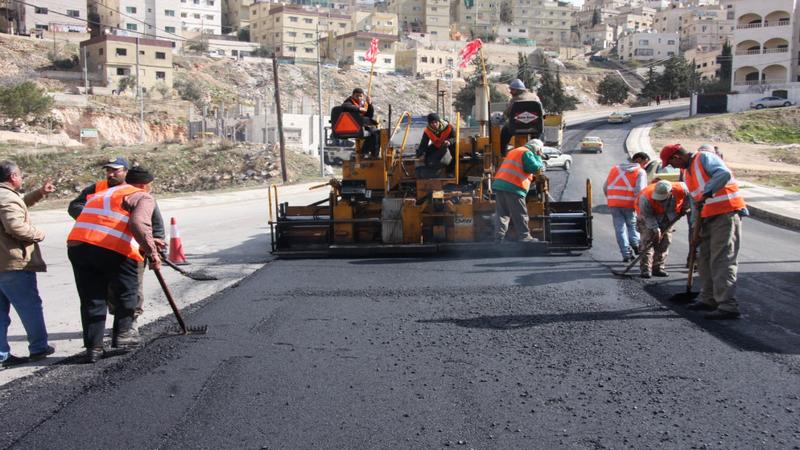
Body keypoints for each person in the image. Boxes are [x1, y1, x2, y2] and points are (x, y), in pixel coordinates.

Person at [67, 166, 161, 363]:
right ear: (145, 185)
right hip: (111, 246)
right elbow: (139, 224)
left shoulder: (105, 192)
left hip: (78, 246)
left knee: (92, 299)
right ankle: (123, 335)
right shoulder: (142, 195)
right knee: (127, 290)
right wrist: (153, 253)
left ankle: (93, 348)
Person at [660, 144, 747, 320]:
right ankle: (708, 298)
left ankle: (727, 305)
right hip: (705, 217)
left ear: (676, 157)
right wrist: (695, 228)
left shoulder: (704, 157)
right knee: (703, 258)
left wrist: (708, 192)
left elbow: (723, 174)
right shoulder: (686, 172)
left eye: (671, 163)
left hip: (725, 213)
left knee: (721, 259)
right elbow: (694, 200)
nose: (673, 167)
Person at [0, 160, 56, 368]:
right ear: (13, 177)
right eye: (20, 175)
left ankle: (2, 353)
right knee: (29, 307)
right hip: (12, 263)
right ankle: (39, 347)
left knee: (1, 313)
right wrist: (38, 234)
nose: (21, 178)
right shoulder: (6, 197)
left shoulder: (6, 197)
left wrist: (39, 193)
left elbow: (18, 206)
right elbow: (14, 225)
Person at [493, 138, 544, 243]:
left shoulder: (514, 151)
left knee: (502, 214)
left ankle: (498, 238)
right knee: (519, 214)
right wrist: (538, 157)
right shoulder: (527, 153)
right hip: (514, 186)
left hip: (500, 185)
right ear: (537, 148)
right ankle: (525, 237)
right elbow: (535, 168)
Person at [635, 180, 690, 278]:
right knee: (647, 242)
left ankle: (658, 267)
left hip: (666, 217)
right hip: (646, 217)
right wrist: (656, 229)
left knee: (665, 242)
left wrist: (685, 207)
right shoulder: (645, 198)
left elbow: (690, 196)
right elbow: (648, 216)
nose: (659, 201)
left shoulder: (681, 188)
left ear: (670, 193)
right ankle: (645, 269)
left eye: (662, 199)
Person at [603, 158, 647, 262]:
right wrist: (640, 206)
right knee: (632, 225)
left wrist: (611, 198)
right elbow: (640, 190)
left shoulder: (614, 169)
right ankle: (636, 245)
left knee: (620, 229)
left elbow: (605, 187)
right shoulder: (640, 172)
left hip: (614, 204)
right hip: (630, 204)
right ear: (641, 161)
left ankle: (626, 254)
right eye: (645, 163)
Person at [500, 79, 541, 154]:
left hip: (516, 128)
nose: (510, 92)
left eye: (512, 90)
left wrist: (504, 117)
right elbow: (541, 113)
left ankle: (503, 153)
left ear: (518, 90)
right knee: (537, 137)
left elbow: (507, 113)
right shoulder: (535, 97)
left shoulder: (515, 100)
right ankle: (537, 152)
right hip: (534, 128)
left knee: (504, 131)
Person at [342, 88, 379, 159]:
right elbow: (345, 106)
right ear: (353, 95)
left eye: (360, 96)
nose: (359, 98)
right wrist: (358, 108)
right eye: (357, 96)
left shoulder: (363, 104)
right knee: (373, 132)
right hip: (353, 125)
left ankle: (370, 153)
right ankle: (368, 153)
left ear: (363, 96)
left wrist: (370, 104)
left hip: (361, 124)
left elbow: (369, 115)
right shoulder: (349, 101)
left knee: (375, 133)